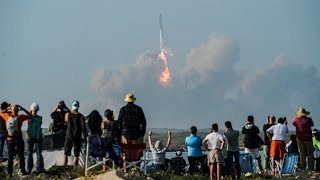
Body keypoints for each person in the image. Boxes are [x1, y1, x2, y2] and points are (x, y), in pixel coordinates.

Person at [5, 104, 30, 176]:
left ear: (12, 110)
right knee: (21, 155)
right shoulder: (20, 117)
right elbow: (30, 116)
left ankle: (10, 173)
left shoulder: (7, 116)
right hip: (18, 138)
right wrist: (23, 108)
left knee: (10, 156)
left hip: (9, 138)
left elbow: (1, 112)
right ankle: (23, 170)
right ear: (18, 110)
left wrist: (8, 108)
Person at [64, 100, 87, 166]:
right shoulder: (81, 116)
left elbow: (65, 121)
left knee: (66, 153)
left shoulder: (67, 114)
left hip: (69, 135)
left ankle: (64, 167)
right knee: (76, 155)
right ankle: (75, 169)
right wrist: (85, 137)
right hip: (77, 136)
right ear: (78, 106)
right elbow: (83, 128)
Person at [292, 107, 314, 173]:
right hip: (308, 139)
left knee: (302, 154)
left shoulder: (296, 119)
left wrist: (298, 117)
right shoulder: (309, 119)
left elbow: (293, 124)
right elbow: (312, 125)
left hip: (300, 139)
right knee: (310, 154)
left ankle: (303, 167)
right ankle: (311, 168)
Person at [26, 103, 44, 174]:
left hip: (29, 137)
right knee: (38, 152)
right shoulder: (40, 118)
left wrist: (30, 111)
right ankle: (39, 168)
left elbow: (28, 114)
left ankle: (29, 168)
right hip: (38, 136)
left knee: (29, 153)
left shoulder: (29, 117)